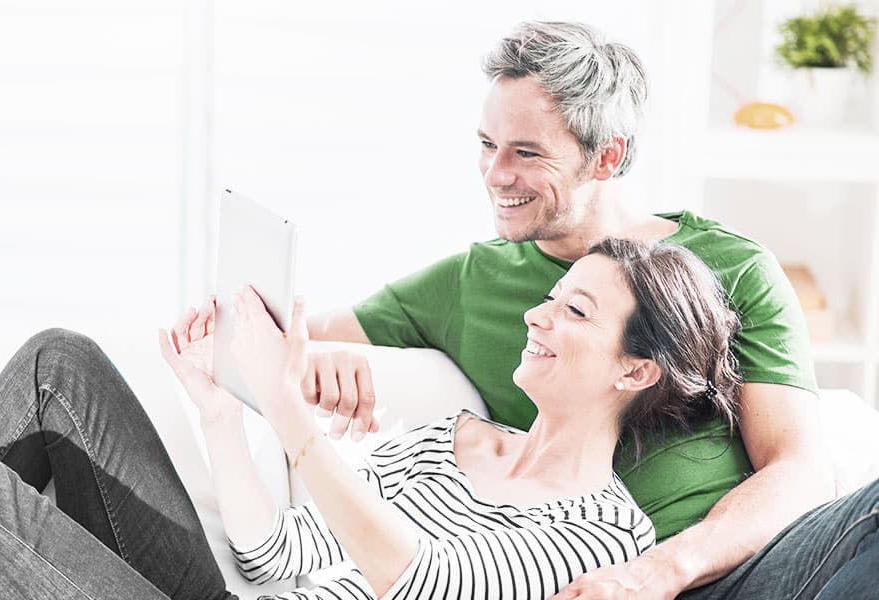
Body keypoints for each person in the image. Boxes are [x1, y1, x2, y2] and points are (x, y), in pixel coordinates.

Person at [304, 20, 878, 600]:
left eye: (526, 152)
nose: (496, 174)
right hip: (577, 576)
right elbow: (278, 337)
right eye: (486, 144)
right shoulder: (471, 280)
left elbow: (800, 470)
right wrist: (326, 355)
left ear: (607, 156)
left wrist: (655, 573)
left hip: (732, 570)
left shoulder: (733, 266)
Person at [0, 239, 742, 599]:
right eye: (548, 300)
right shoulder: (448, 441)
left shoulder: (602, 537)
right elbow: (275, 560)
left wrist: (289, 408)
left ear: (638, 367)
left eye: (576, 314)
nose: (538, 318)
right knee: (57, 364)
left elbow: (421, 585)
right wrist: (221, 412)